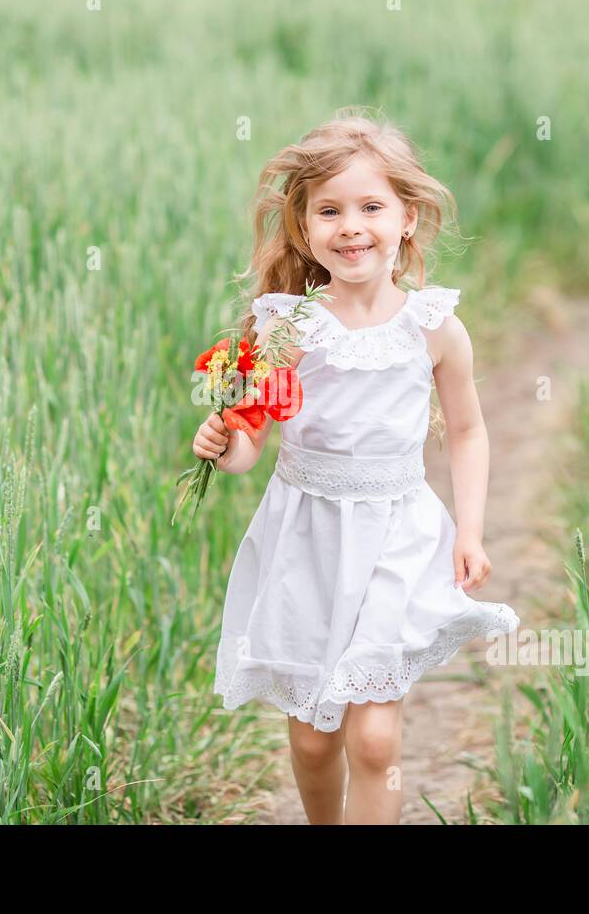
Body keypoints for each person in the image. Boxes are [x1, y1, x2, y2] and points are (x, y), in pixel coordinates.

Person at [191, 107, 519, 824]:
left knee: (373, 737)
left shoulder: (433, 326)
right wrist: (225, 438)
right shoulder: (290, 327)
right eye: (329, 210)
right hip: (305, 535)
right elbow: (253, 442)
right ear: (304, 227)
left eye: (371, 206)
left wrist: (470, 531)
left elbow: (467, 430)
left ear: (408, 218)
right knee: (313, 740)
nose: (351, 226)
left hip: (396, 536)